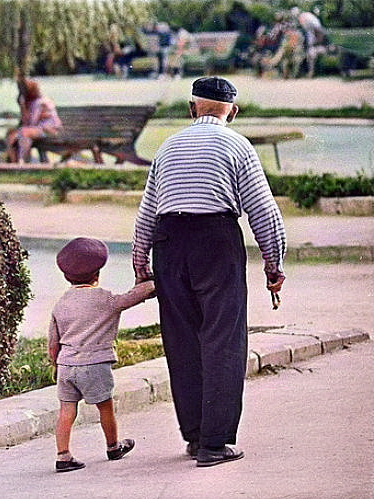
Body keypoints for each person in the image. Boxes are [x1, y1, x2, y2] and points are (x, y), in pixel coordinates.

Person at [131, 77, 286, 467]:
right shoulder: (237, 145)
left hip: (170, 243)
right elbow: (262, 210)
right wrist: (274, 266)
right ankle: (215, 445)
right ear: (232, 112)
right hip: (216, 241)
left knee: (182, 341)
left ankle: (196, 436)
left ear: (192, 109)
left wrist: (140, 261)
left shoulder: (167, 147)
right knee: (223, 340)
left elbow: (148, 210)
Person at [49, 237, 156, 472]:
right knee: (105, 407)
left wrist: (56, 364)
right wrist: (150, 284)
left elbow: (53, 344)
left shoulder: (60, 304)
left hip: (66, 366)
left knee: (67, 410)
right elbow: (132, 296)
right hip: (94, 365)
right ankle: (113, 446)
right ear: (97, 274)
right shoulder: (104, 299)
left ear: (67, 276)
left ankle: (63, 455)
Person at [4, 79, 61, 163]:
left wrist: (23, 107)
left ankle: (20, 162)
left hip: (49, 131)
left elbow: (32, 122)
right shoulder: (39, 101)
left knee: (20, 134)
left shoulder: (39, 102)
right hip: (41, 130)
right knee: (22, 138)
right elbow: (29, 124)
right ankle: (18, 163)